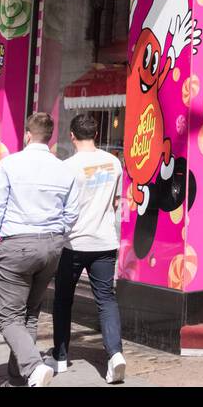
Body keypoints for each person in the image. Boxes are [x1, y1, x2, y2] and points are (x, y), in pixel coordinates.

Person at [0, 112, 79, 387]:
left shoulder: (10, 164)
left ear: (27, 134)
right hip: (50, 246)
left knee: (8, 316)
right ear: (49, 139)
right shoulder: (63, 169)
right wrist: (57, 235)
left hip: (16, 243)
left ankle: (33, 367)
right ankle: (19, 378)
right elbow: (71, 214)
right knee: (30, 312)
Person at [50, 114, 125, 385]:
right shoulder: (114, 163)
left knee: (63, 299)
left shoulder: (66, 167)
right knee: (106, 299)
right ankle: (115, 355)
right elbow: (115, 203)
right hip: (105, 240)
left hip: (73, 243)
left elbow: (59, 207)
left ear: (72, 136)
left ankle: (59, 356)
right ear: (96, 133)